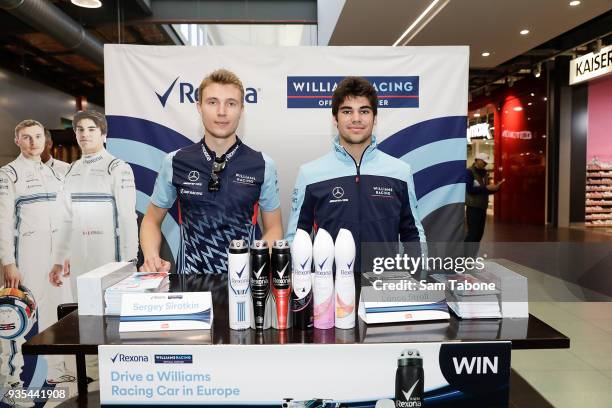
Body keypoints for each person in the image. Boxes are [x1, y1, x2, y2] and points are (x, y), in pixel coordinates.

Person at [140, 68, 283, 274]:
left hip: (243, 287)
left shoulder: (263, 164)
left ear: (241, 109)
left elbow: (274, 228)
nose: (222, 111)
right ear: (199, 107)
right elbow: (151, 220)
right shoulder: (174, 161)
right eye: (212, 102)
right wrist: (152, 256)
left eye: (231, 103)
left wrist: (257, 260)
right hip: (190, 286)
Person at [286, 76, 426, 277]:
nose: (356, 119)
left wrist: (417, 280)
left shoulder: (400, 171)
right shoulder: (310, 174)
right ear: (335, 119)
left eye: (364, 111)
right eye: (347, 111)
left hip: (383, 291)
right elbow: (296, 239)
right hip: (329, 296)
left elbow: (413, 234)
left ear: (375, 118)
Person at [0, 120, 67, 399]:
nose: (33, 142)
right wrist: (8, 261)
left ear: (45, 140)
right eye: (26, 138)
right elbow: (3, 221)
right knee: (18, 315)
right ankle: (13, 378)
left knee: (55, 313)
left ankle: (56, 372)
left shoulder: (55, 174)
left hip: (54, 257)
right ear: (17, 141)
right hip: (26, 254)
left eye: (37, 136)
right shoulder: (8, 174)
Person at [49, 111, 138, 295]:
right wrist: (59, 258)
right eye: (80, 129)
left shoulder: (117, 167)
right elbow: (66, 218)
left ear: (103, 134)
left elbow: (128, 217)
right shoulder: (72, 169)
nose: (85, 134)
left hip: (110, 260)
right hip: (79, 260)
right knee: (81, 315)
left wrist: (130, 260)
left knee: (112, 316)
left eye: (91, 129)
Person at [464, 152, 504, 248]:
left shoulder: (484, 173)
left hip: (482, 207)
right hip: (473, 207)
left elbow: (485, 190)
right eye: (484, 162)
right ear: (477, 160)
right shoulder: (469, 172)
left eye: (486, 163)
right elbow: (470, 190)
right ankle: (463, 258)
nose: (485, 164)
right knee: (473, 234)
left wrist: (495, 188)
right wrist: (487, 188)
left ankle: (471, 259)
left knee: (479, 234)